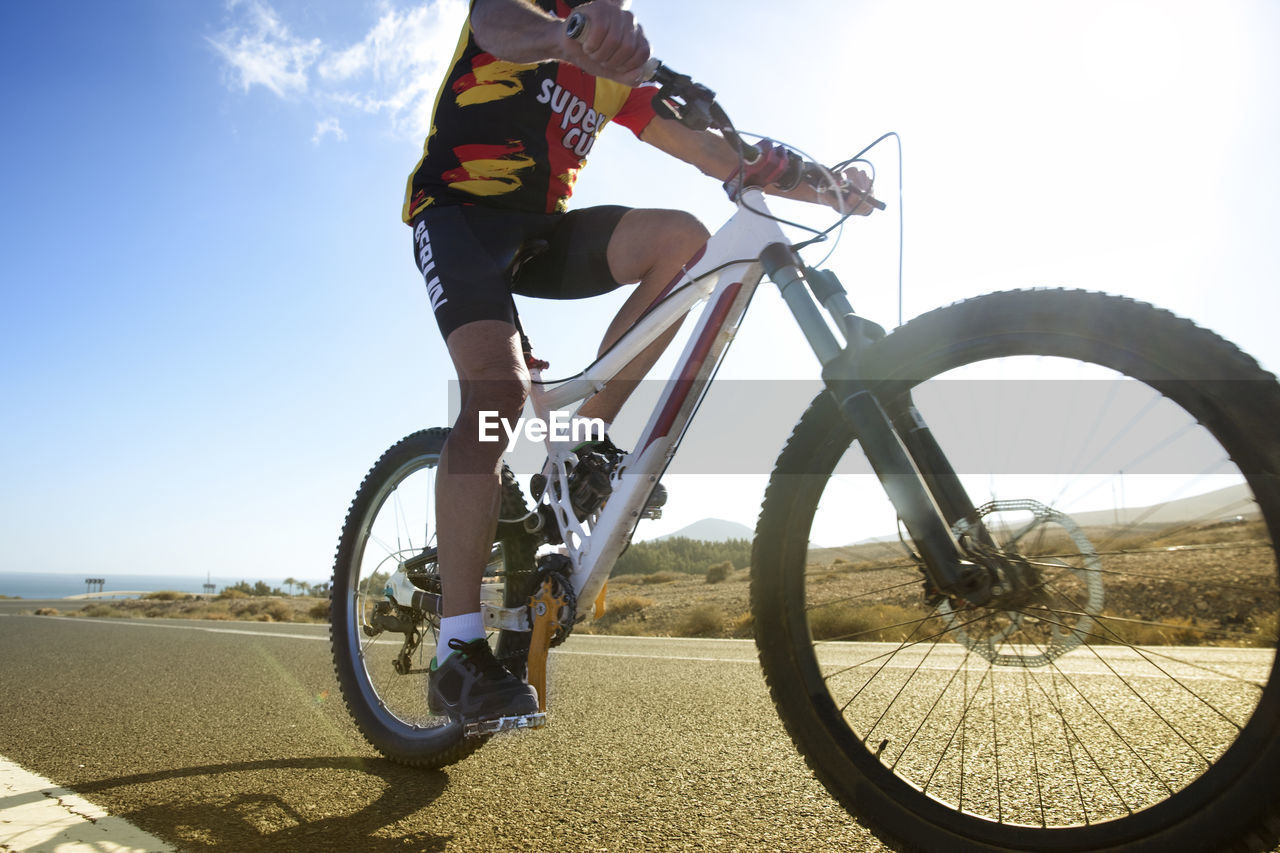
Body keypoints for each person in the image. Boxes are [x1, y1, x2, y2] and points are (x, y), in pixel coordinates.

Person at [405, 0, 875, 726]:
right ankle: (457, 652)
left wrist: (824, 184)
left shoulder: (619, 70)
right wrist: (572, 37)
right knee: (495, 398)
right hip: (459, 212)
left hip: (541, 230)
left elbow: (719, 156)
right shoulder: (539, 15)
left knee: (683, 240)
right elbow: (496, 21)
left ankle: (580, 448)